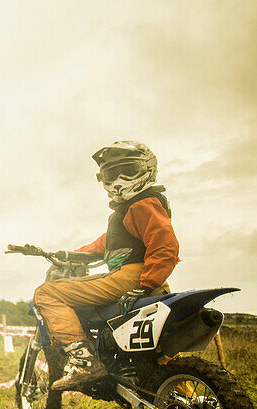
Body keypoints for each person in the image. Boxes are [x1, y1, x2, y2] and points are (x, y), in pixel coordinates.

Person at [34, 141, 180, 391]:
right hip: (152, 281)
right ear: (103, 178)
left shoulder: (142, 205)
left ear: (148, 170)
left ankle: (83, 360)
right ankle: (187, 399)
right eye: (112, 174)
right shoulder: (128, 212)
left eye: (129, 170)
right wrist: (68, 254)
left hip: (134, 277)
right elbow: (103, 245)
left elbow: (165, 246)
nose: (120, 179)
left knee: (46, 293)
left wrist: (145, 284)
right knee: (161, 362)